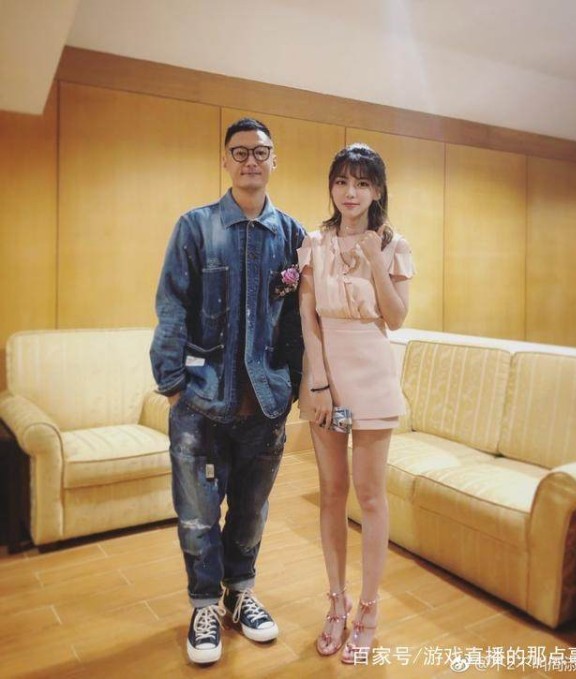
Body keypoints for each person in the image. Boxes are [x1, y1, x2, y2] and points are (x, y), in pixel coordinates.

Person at [150, 117, 305, 665]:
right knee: (197, 517)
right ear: (225, 160)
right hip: (200, 401)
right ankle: (203, 606)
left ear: (273, 160)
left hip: (265, 404)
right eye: (239, 152)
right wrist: (172, 385)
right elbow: (171, 305)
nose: (250, 161)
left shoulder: (293, 235)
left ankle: (240, 594)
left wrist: (293, 386)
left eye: (260, 152)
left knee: (251, 512)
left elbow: (298, 321)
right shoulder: (195, 227)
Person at [297, 143, 414, 664]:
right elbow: (307, 314)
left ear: (377, 190)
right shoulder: (314, 242)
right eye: (342, 181)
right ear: (331, 186)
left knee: (369, 496)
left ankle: (368, 608)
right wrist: (319, 380)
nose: (351, 192)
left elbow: (397, 317)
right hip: (327, 379)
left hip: (371, 376)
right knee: (331, 492)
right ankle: (336, 603)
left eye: (362, 183)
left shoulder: (393, 244)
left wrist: (374, 260)